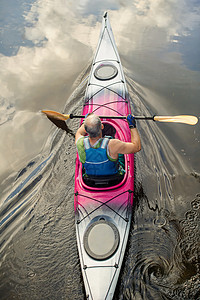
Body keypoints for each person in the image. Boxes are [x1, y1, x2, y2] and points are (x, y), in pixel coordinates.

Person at [75, 113, 141, 176]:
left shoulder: (79, 142)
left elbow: (79, 132)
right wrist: (132, 125)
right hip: (114, 179)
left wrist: (86, 121)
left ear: (85, 130)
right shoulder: (113, 144)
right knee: (119, 152)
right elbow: (137, 147)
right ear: (102, 126)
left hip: (90, 179)